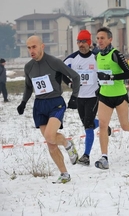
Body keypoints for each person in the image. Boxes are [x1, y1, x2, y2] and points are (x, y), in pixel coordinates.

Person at [17, 35, 80, 183]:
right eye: (28, 48)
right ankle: (64, 174)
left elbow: (75, 77)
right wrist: (23, 102)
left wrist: (74, 97)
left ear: (42, 46)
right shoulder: (28, 67)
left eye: (34, 47)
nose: (31, 50)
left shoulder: (54, 62)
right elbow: (28, 86)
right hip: (39, 106)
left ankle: (67, 144)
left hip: (55, 103)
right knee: (50, 144)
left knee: (50, 136)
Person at [94, 27, 129, 169]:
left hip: (120, 96)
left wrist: (111, 77)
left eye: (102, 38)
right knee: (103, 125)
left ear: (110, 39)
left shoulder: (115, 54)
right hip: (105, 96)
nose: (100, 41)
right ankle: (104, 158)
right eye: (98, 38)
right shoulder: (97, 55)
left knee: (125, 125)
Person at [63, 30, 111, 166]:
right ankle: (103, 125)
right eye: (79, 42)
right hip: (80, 97)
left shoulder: (96, 57)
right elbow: (59, 71)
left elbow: (106, 70)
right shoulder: (72, 58)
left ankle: (86, 156)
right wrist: (69, 83)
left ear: (89, 43)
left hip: (93, 96)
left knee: (88, 125)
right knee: (86, 123)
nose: (81, 44)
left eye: (84, 42)